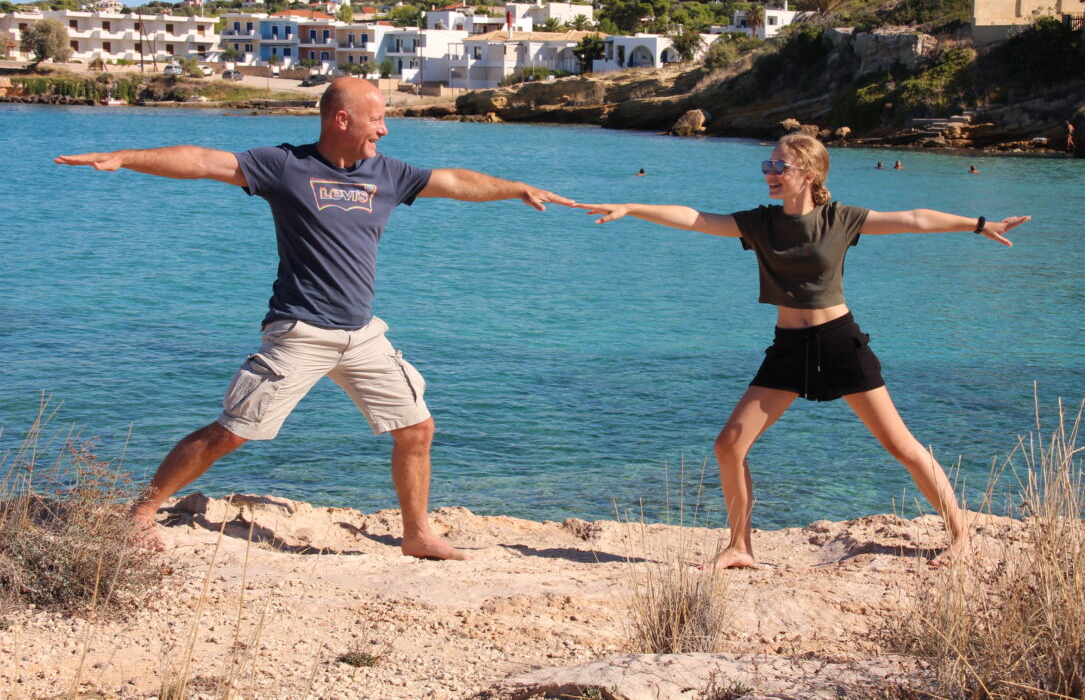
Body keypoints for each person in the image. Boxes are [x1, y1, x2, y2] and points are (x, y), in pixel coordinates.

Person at [55, 77, 573, 557]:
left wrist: (515, 187)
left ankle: (417, 535)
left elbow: (456, 181)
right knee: (231, 432)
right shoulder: (285, 166)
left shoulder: (388, 173)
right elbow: (201, 160)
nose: (385, 128)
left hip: (362, 334)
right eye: (377, 119)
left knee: (416, 428)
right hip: (299, 330)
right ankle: (139, 513)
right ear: (341, 120)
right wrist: (124, 156)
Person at [577, 133, 1029, 569]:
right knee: (729, 445)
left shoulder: (840, 219)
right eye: (767, 165)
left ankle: (961, 537)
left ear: (809, 173)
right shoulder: (761, 222)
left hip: (839, 342)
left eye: (780, 166)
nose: (770, 173)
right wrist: (632, 207)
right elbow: (696, 218)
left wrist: (981, 225)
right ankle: (739, 547)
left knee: (901, 446)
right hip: (788, 348)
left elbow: (913, 218)